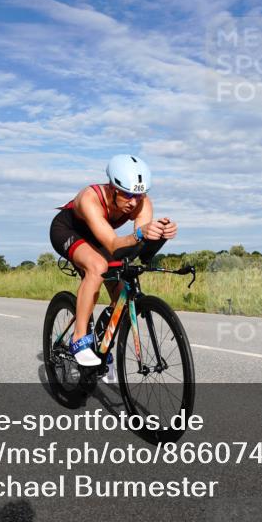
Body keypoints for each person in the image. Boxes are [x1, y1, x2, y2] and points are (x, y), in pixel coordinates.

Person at [49, 154, 177, 366]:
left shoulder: (142, 203)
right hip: (68, 230)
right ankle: (78, 338)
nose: (133, 202)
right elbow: (113, 244)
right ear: (112, 188)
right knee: (97, 266)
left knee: (122, 296)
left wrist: (160, 235)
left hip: (99, 237)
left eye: (139, 195)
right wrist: (140, 233)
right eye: (127, 194)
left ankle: (102, 346)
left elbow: (137, 248)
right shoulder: (90, 198)